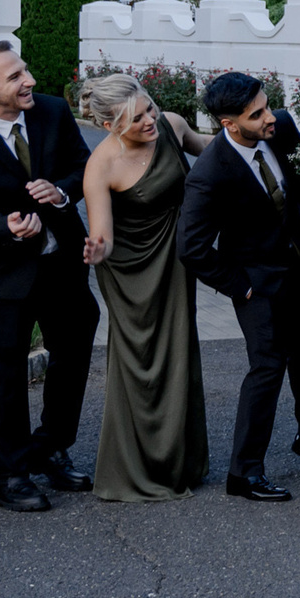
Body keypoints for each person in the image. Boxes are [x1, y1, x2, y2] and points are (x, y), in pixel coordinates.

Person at [0, 41, 99, 513]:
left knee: (72, 355)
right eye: (15, 77)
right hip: (8, 274)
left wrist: (63, 192)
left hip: (64, 263)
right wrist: (4, 225)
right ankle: (8, 476)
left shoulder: (51, 110)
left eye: (24, 70)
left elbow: (79, 165)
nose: (28, 80)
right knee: (6, 374)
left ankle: (50, 446)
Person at [181, 71, 300, 501]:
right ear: (229, 124)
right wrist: (240, 288)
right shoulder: (209, 173)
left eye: (266, 105)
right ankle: (244, 473)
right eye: (256, 113)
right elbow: (190, 247)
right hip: (257, 287)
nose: (270, 117)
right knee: (266, 370)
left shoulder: (281, 127)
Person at [80, 72, 210, 502]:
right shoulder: (101, 163)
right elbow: (104, 233)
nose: (149, 120)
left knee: (178, 349)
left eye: (148, 108)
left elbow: (210, 152)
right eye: (135, 119)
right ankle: (138, 467)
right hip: (129, 268)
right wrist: (98, 250)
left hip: (175, 257)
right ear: (109, 126)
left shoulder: (171, 125)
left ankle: (182, 463)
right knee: (139, 360)